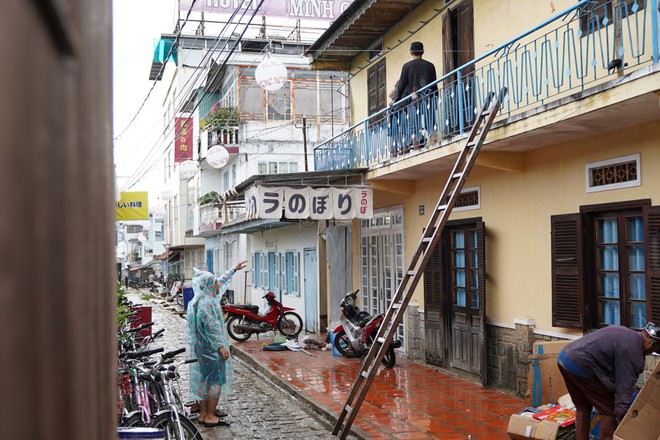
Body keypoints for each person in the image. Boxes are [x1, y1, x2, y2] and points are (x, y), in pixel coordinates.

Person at [556, 322, 660, 440]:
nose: (650, 353)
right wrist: (624, 422)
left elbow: (610, 370)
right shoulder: (634, 353)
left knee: (583, 408)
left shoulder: (626, 334)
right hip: (581, 364)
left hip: (565, 357)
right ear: (651, 343)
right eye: (655, 350)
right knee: (609, 412)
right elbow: (623, 390)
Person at [186, 261, 247, 427]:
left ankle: (204, 414)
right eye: (215, 283)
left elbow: (220, 281)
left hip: (201, 348)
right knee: (215, 381)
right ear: (209, 286)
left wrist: (233, 270)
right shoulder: (208, 303)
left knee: (205, 380)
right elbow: (211, 327)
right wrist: (220, 346)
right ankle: (211, 415)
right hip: (211, 349)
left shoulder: (199, 299)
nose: (218, 285)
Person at [393, 41, 438, 151]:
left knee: (414, 125)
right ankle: (434, 143)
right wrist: (435, 99)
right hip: (428, 98)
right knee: (430, 123)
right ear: (423, 51)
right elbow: (434, 84)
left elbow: (401, 85)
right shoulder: (430, 65)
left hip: (414, 100)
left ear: (411, 52)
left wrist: (397, 100)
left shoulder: (407, 66)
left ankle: (416, 148)